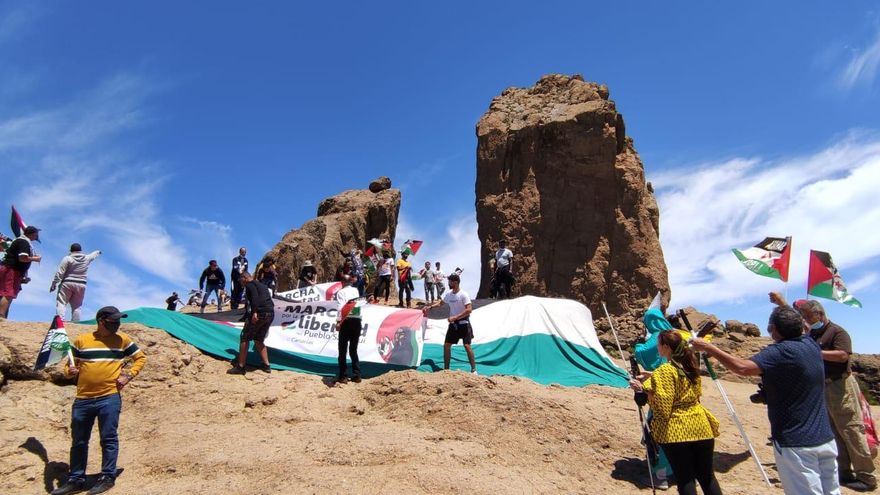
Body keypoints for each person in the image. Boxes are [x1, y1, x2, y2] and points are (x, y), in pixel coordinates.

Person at [692, 306, 839, 495]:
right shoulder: (811, 345)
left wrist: (709, 347)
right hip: (825, 438)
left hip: (796, 443)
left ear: (773, 329)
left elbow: (742, 368)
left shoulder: (780, 351)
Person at [51, 306, 146, 495]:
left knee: (108, 438)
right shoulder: (82, 341)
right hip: (83, 399)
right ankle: (76, 479)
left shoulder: (122, 340)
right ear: (101, 321)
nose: (117, 325)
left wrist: (128, 375)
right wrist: (70, 371)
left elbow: (140, 358)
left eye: (119, 321)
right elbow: (69, 367)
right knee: (79, 440)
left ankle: (107, 476)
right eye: (113, 322)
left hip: (109, 397)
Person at [629, 330, 721, 495]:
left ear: (665, 347)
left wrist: (641, 389)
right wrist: (652, 376)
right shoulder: (691, 367)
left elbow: (664, 405)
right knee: (707, 477)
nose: (657, 348)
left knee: (685, 479)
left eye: (658, 345)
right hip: (701, 427)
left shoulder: (664, 371)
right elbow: (681, 383)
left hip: (678, 431)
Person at [798, 299, 876, 491]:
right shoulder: (813, 333)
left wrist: (817, 351)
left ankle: (867, 477)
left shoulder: (837, 332)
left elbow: (843, 355)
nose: (807, 320)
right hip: (823, 387)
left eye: (809, 317)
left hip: (841, 386)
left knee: (851, 429)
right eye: (804, 317)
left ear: (820, 314)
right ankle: (844, 472)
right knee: (834, 431)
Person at [422, 273, 477, 374]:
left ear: (455, 282)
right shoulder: (449, 294)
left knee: (467, 346)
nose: (449, 283)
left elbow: (469, 309)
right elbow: (441, 303)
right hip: (453, 325)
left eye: (450, 281)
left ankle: (474, 370)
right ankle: (446, 370)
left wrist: (455, 317)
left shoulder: (463, 294)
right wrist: (429, 307)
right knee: (447, 345)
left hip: (464, 324)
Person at [228, 271, 273, 375]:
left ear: (245, 278)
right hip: (270, 313)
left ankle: (241, 367)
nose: (240, 282)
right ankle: (266, 365)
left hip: (259, 313)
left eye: (240, 280)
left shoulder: (249, 285)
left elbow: (255, 298)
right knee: (258, 339)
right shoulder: (262, 285)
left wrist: (254, 312)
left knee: (244, 337)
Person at [50, 243, 101, 322]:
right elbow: (93, 255)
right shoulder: (86, 258)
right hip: (81, 284)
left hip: (67, 283)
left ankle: (60, 321)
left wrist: (54, 283)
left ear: (71, 250)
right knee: (77, 306)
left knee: (61, 303)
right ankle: (75, 323)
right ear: (80, 251)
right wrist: (98, 252)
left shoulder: (67, 258)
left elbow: (60, 272)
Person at [0, 225, 41, 319]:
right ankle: (1, 317)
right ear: (33, 234)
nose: (37, 236)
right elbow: (22, 258)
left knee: (5, 292)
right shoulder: (24, 242)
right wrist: (35, 259)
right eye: (36, 233)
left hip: (10, 269)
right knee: (8, 293)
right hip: (12, 269)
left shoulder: (20, 241)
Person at [334, 274, 363, 383]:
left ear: (342, 282)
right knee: (353, 350)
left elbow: (341, 308)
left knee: (342, 350)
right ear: (351, 282)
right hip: (357, 320)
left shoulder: (341, 292)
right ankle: (357, 375)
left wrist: (338, 322)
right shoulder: (356, 290)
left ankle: (343, 376)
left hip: (346, 321)